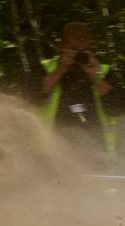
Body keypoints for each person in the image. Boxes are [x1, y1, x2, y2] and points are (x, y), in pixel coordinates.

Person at [39, 22, 117, 156]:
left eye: (83, 51)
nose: (77, 56)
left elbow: (118, 108)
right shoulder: (45, 68)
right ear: (61, 47)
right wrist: (61, 69)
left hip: (96, 154)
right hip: (50, 156)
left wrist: (96, 76)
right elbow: (32, 96)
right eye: (74, 50)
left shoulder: (103, 71)